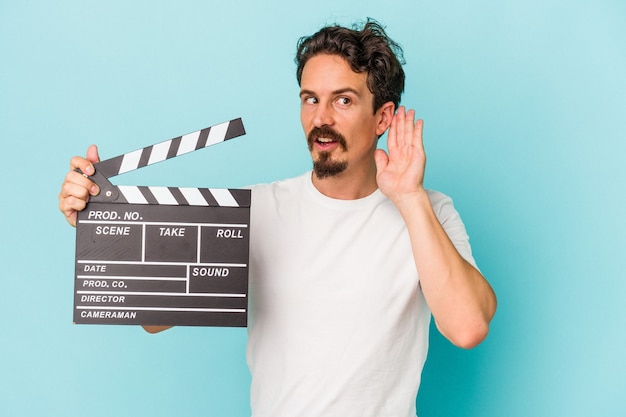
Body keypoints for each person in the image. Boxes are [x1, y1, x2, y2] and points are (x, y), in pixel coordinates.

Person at [59, 19, 496, 417]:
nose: (320, 119)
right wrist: (102, 224)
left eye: (343, 100)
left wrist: (408, 197)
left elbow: (468, 327)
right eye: (310, 99)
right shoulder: (254, 210)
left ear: (382, 116)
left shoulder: (430, 211)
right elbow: (155, 318)